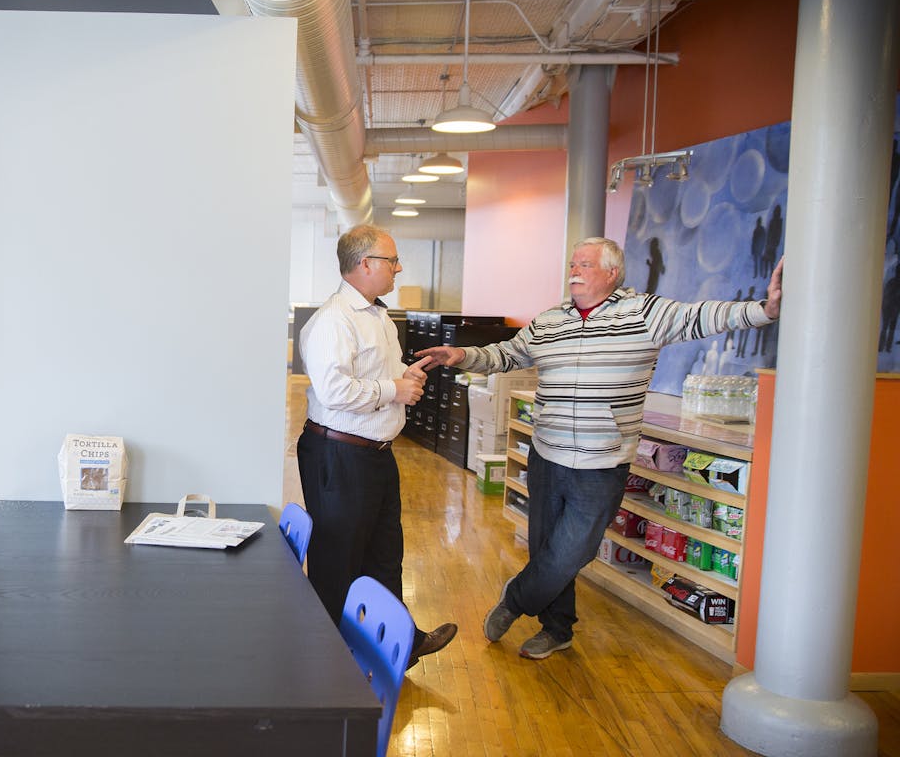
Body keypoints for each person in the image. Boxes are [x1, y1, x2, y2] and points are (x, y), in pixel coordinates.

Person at [416, 237, 784, 660]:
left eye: (586, 264)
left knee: (575, 549)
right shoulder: (551, 320)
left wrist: (764, 310)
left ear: (612, 273)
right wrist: (460, 353)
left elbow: (702, 316)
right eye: (573, 263)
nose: (575, 270)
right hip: (547, 453)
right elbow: (508, 354)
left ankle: (515, 599)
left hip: (602, 460)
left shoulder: (645, 314)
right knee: (547, 549)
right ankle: (558, 630)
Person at [297, 225, 458, 668]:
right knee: (338, 561)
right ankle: (330, 665)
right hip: (340, 455)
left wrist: (406, 376)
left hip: (376, 454)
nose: (399, 268)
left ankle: (396, 644)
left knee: (385, 554)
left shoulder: (378, 316)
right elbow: (333, 391)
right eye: (392, 260)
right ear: (365, 264)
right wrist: (393, 390)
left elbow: (379, 374)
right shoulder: (333, 320)